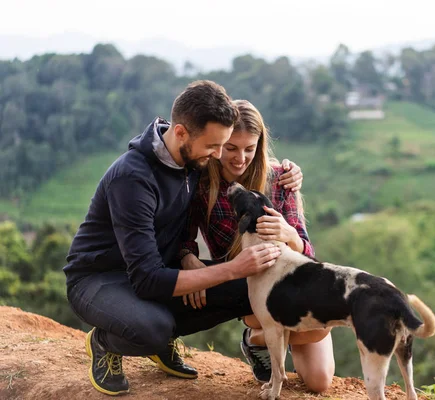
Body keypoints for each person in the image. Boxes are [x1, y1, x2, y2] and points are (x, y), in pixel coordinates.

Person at [63, 81, 302, 396]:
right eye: (213, 147)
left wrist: (286, 172)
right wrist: (230, 269)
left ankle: (159, 338)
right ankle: (105, 342)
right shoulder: (133, 179)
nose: (219, 155)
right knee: (153, 328)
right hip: (99, 279)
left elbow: (244, 162)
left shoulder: (191, 157)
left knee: (249, 288)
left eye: (222, 145)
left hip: (156, 270)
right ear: (180, 133)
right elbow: (147, 280)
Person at [180, 99, 335, 393]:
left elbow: (307, 253)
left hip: (294, 281)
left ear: (260, 145)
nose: (241, 158)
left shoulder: (280, 178)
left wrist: (289, 233)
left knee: (319, 381)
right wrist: (188, 256)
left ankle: (256, 340)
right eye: (232, 148)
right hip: (248, 288)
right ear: (219, 143)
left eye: (249, 149)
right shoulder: (200, 184)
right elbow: (182, 234)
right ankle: (262, 335)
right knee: (274, 320)